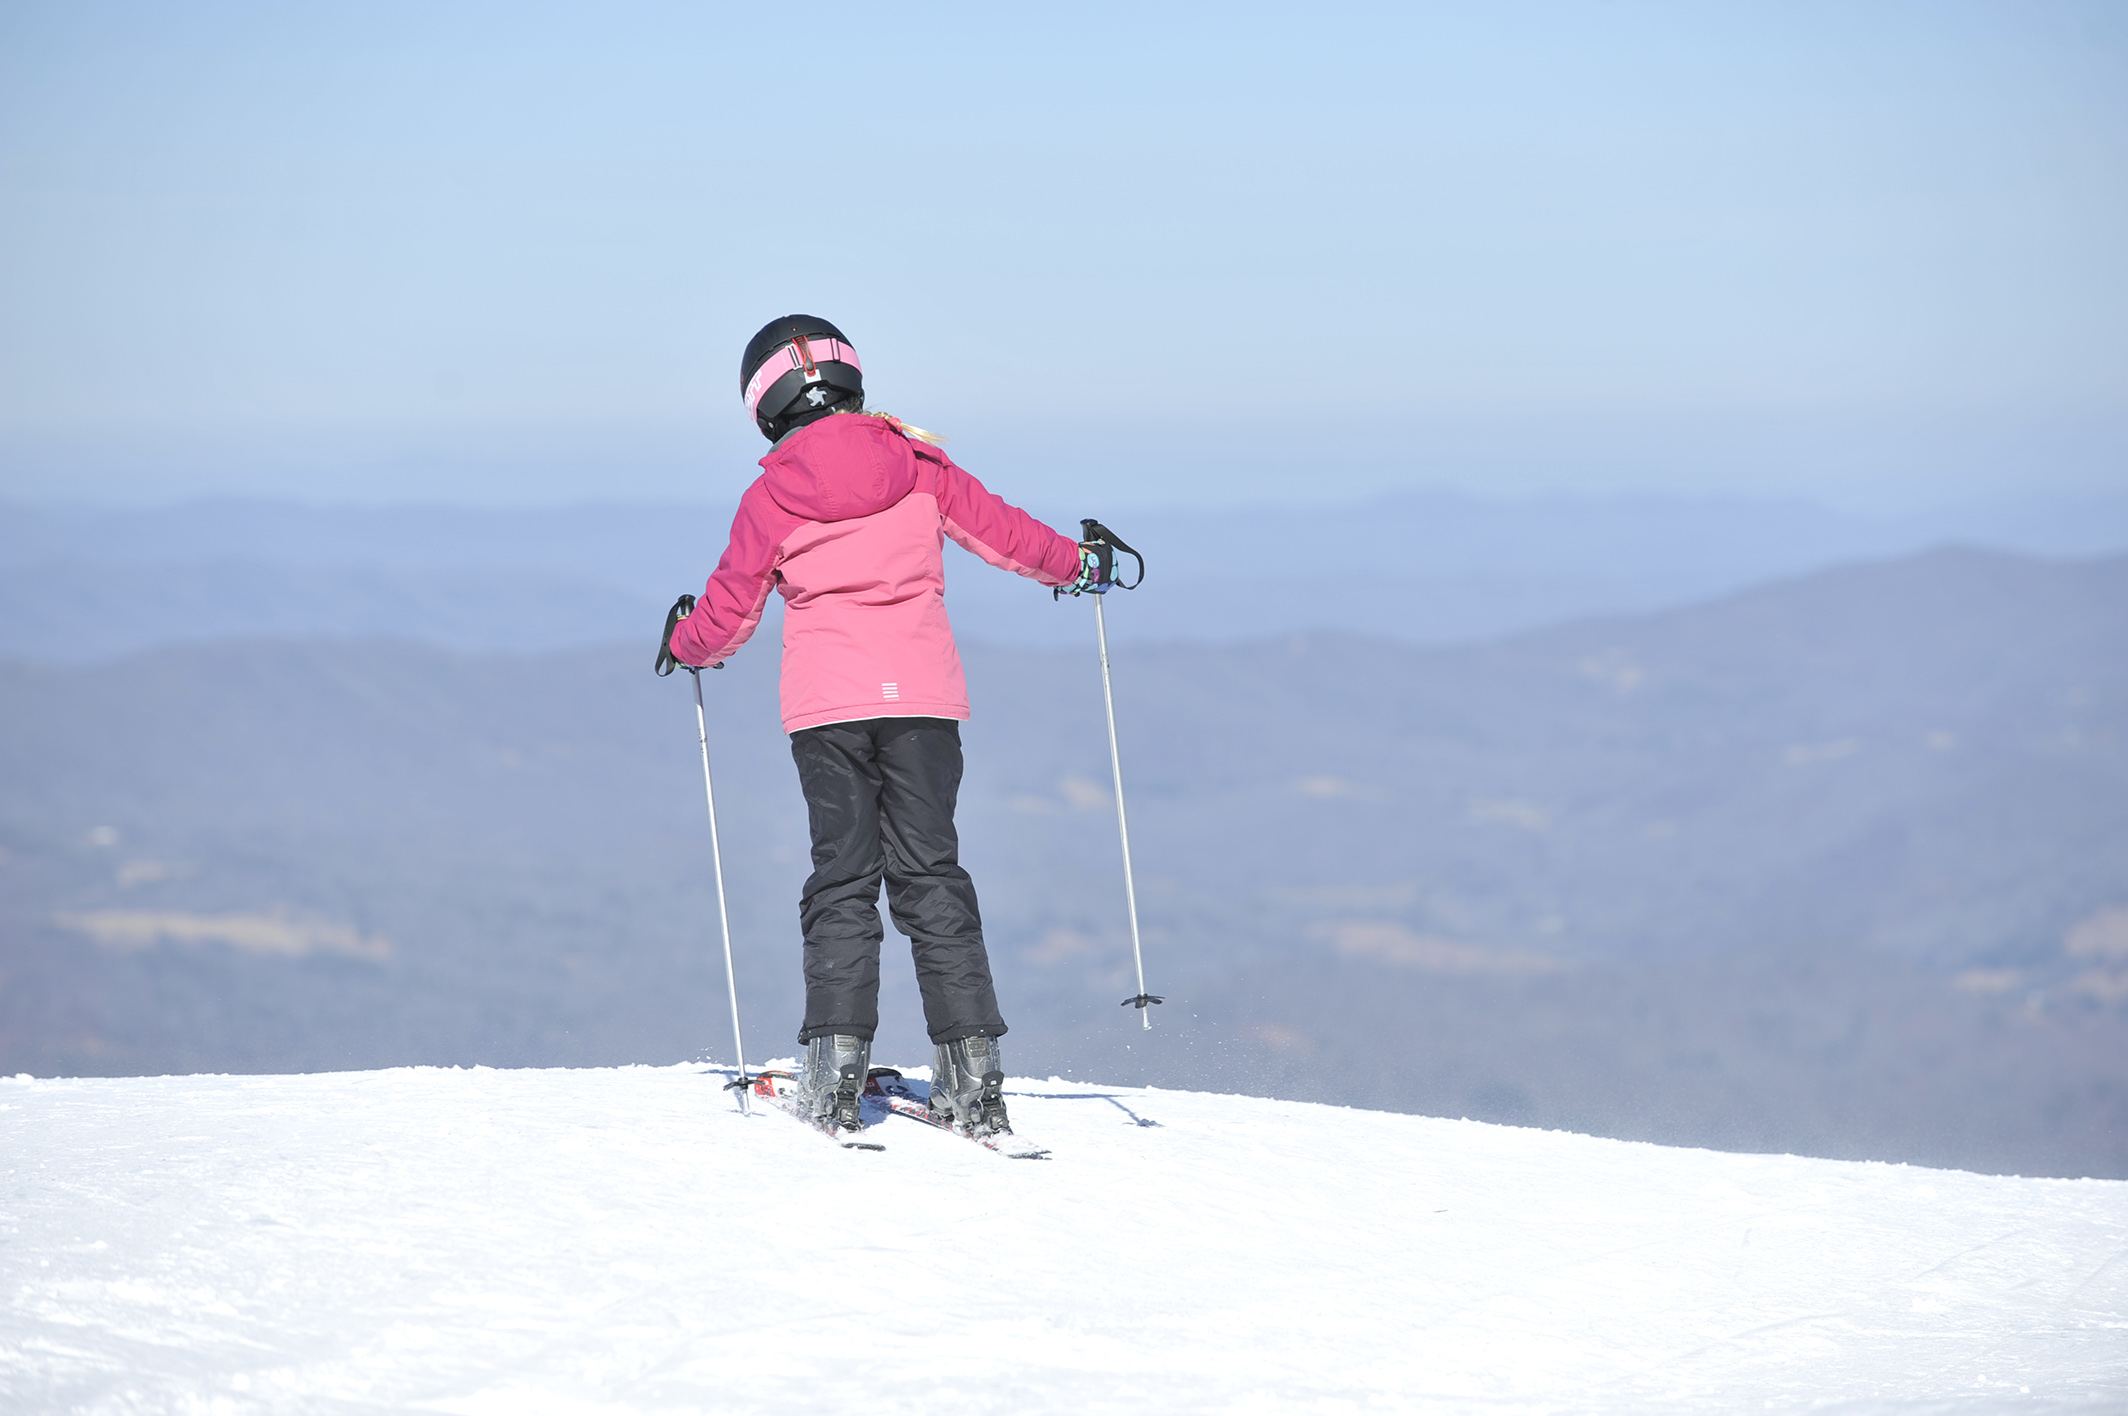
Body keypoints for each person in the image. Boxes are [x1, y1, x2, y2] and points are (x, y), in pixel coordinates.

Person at [663, 315, 1116, 1141]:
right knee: (932, 877)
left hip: (828, 713)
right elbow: (1009, 536)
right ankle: (972, 1077)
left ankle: (833, 1073)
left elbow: (727, 616)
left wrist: (682, 643)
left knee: (842, 878)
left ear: (765, 403)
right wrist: (1085, 566)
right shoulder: (919, 466)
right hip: (925, 707)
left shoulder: (769, 498)